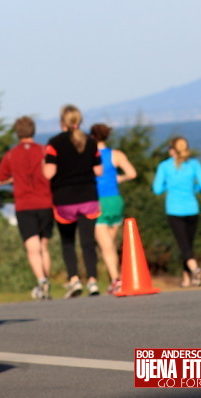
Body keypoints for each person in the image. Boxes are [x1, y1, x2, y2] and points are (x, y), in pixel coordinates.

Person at [43, 105, 103, 298]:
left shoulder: (54, 143)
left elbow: (49, 173)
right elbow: (98, 171)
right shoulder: (91, 142)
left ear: (62, 122)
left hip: (65, 199)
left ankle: (74, 279)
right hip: (89, 197)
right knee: (88, 242)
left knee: (68, 242)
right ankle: (92, 281)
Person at [0, 116, 55, 300]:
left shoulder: (11, 155)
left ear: (17, 132)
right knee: (44, 247)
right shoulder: (44, 150)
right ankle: (47, 282)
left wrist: (14, 178)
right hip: (45, 202)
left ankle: (41, 280)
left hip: (24, 205)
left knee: (32, 248)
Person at [153, 136, 201, 287]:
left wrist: (169, 186)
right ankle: (187, 279)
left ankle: (195, 269)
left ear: (172, 150)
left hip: (174, 210)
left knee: (184, 245)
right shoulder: (194, 164)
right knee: (188, 245)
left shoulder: (164, 166)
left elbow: (157, 189)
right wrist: (195, 189)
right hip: (192, 208)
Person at [89, 123, 137, 294]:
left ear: (92, 137)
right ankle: (115, 279)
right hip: (115, 201)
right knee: (110, 244)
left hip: (98, 201)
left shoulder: (89, 155)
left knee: (106, 246)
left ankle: (117, 279)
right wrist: (119, 178)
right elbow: (132, 173)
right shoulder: (116, 154)